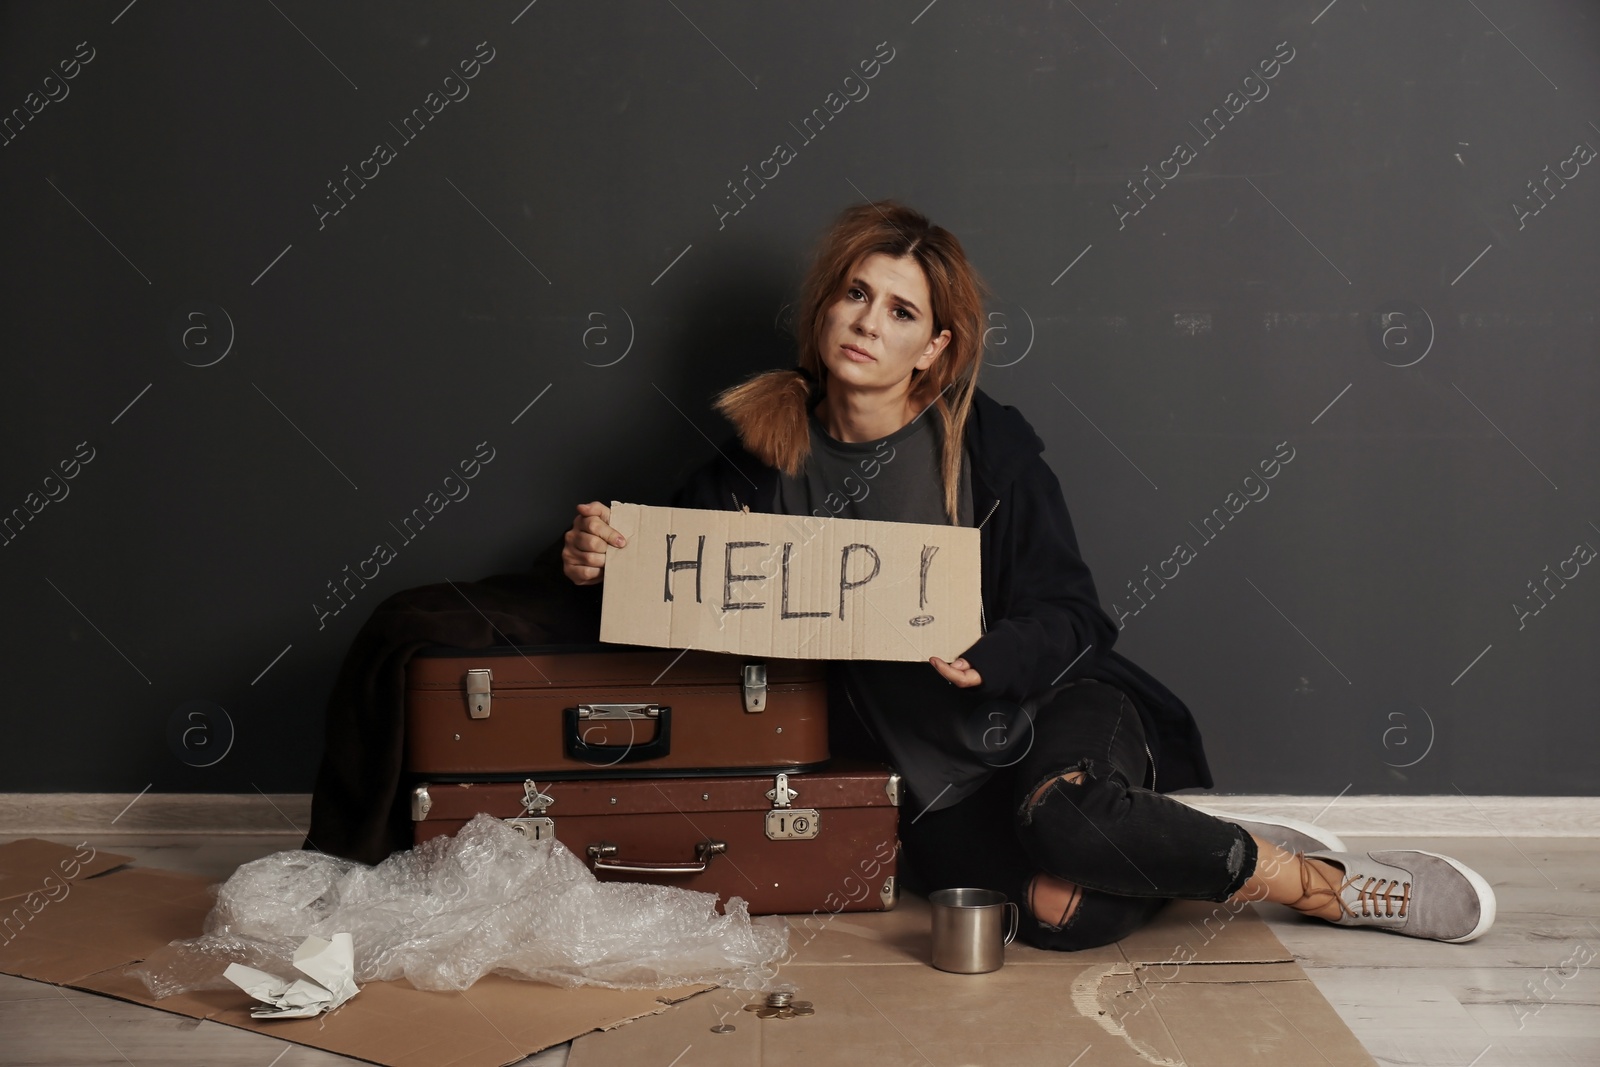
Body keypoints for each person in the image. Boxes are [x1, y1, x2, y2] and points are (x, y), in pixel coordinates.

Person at [561, 200, 1496, 950]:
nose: (867, 322)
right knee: (1058, 916)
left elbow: (1077, 613)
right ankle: (1166, 837)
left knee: (1063, 822)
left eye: (900, 311)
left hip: (1055, 714)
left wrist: (992, 653)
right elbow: (651, 564)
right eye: (855, 294)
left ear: (933, 348)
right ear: (824, 309)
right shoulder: (757, 463)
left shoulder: (986, 445)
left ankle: (1318, 885)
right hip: (937, 793)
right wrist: (590, 559)